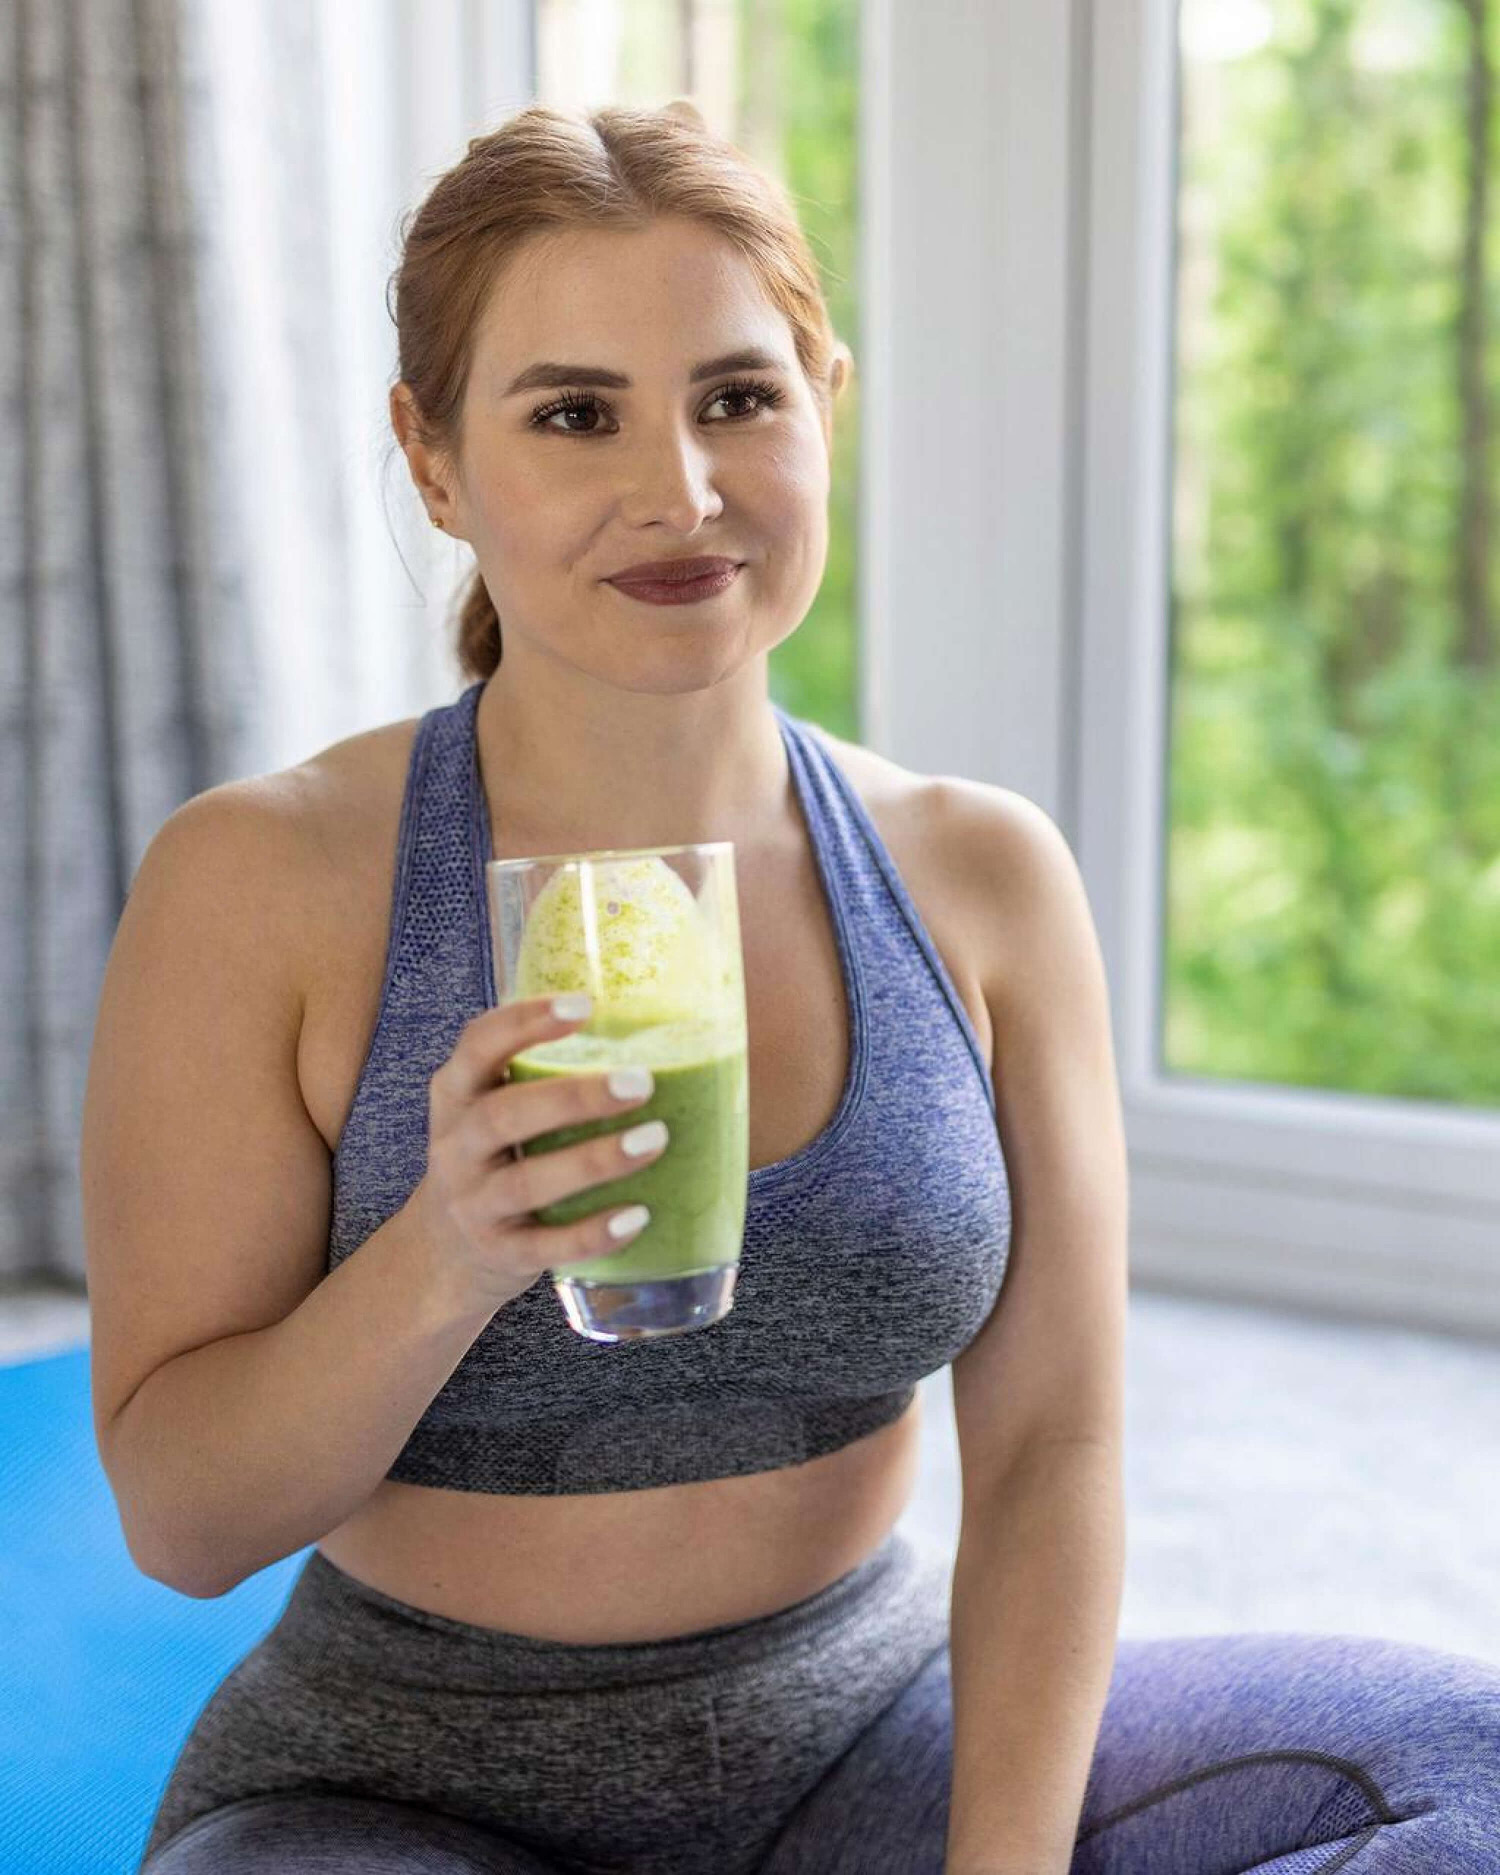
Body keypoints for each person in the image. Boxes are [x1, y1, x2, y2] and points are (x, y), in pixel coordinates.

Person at [82, 99, 1500, 1875]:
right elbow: (186, 1524)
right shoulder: (262, 878)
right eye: (575, 413)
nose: (680, 491)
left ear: (825, 403)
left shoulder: (980, 874)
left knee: (1461, 1774)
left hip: (869, 1743)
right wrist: (444, 1253)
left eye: (738, 398)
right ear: (434, 463)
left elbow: (1050, 1454)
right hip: (399, 1789)